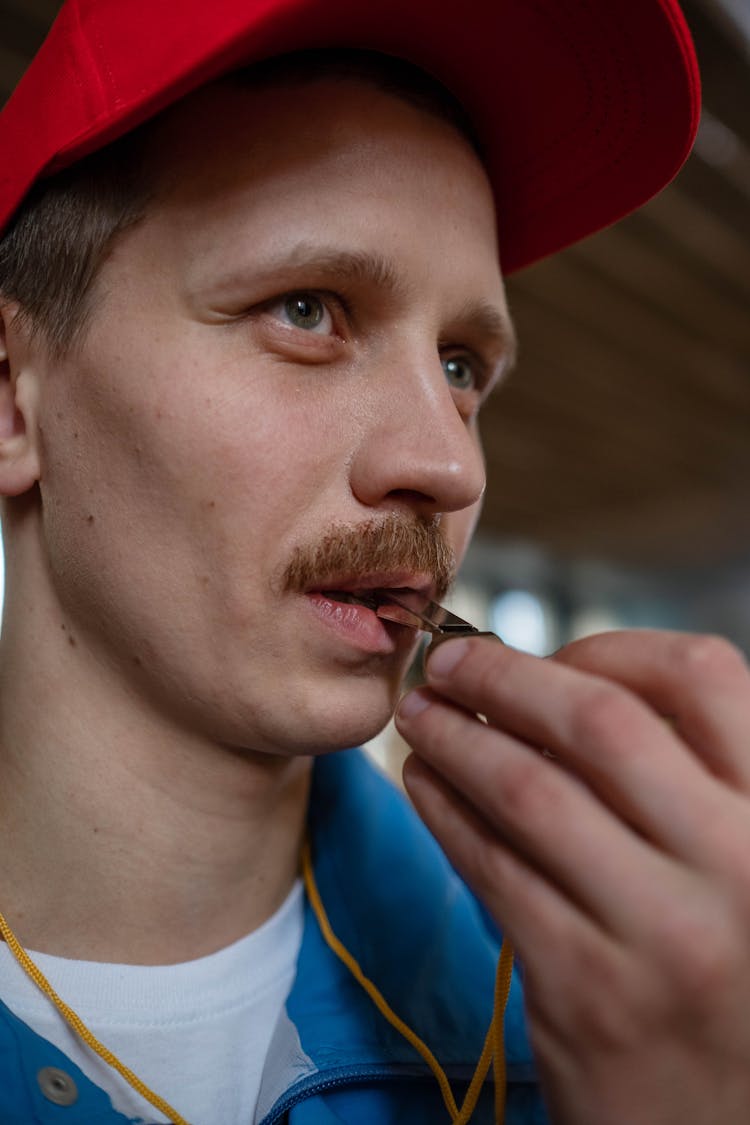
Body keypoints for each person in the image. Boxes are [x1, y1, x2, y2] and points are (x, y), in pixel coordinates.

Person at [1, 0, 748, 1123]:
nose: (446, 464)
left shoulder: (626, 1023)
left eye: (460, 364)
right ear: (13, 400)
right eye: (308, 310)